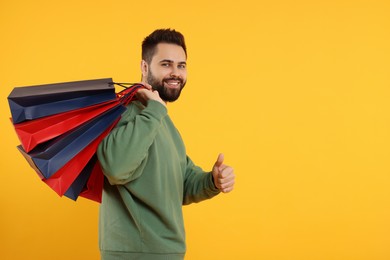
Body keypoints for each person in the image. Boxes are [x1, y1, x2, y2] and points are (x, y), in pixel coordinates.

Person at [97, 28, 235, 260]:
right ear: (144, 67)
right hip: (136, 254)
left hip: (165, 252)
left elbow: (181, 183)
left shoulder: (161, 121)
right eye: (166, 64)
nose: (175, 73)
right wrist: (156, 109)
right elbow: (116, 168)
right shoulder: (128, 113)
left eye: (181, 65)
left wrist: (213, 180)